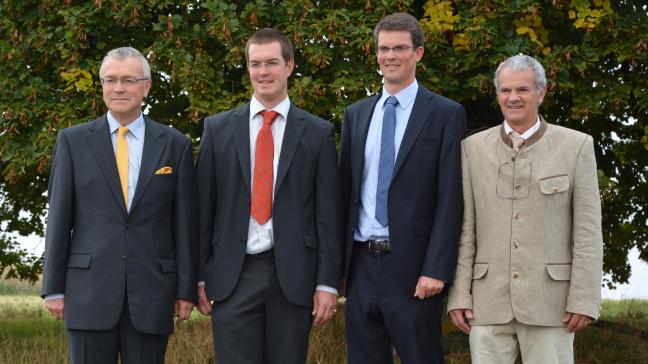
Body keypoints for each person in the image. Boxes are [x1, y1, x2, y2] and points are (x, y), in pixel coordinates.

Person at [40, 46, 198, 364]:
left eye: (128, 80)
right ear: (102, 86)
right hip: (88, 292)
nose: (118, 88)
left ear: (146, 86)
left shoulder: (175, 144)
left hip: (153, 293)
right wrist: (53, 287)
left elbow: (185, 224)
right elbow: (58, 218)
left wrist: (186, 289)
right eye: (110, 80)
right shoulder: (73, 141)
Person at [195, 28, 342, 364]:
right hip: (233, 275)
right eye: (255, 64)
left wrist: (327, 284)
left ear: (289, 66)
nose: (263, 72)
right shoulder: (217, 130)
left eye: (272, 63)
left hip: (293, 277)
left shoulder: (318, 133)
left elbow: (328, 216)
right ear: (247, 68)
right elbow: (203, 209)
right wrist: (200, 276)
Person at [447, 54, 603, 363]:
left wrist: (584, 299)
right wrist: (459, 294)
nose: (513, 97)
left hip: (551, 304)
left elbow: (587, 233)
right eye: (505, 90)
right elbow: (466, 228)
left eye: (522, 90)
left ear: (541, 92)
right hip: (487, 301)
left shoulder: (577, 146)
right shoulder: (472, 149)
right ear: (497, 94)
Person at [339, 12, 467, 364]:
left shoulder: (445, 113)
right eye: (383, 49)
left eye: (399, 48)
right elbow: (345, 193)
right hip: (361, 263)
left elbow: (449, 197)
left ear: (418, 53)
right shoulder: (356, 114)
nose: (390, 56)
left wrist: (436, 268)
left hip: (414, 269)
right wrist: (338, 269)